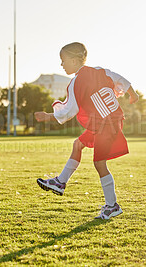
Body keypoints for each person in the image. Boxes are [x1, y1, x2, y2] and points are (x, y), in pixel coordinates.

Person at [34, 42, 139, 219]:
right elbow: (120, 78)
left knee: (99, 163)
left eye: (63, 60)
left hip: (105, 125)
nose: (61, 64)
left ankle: (112, 206)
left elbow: (69, 111)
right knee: (78, 145)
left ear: (74, 61)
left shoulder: (76, 82)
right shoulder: (100, 71)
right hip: (110, 122)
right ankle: (60, 182)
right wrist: (133, 93)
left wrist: (47, 116)